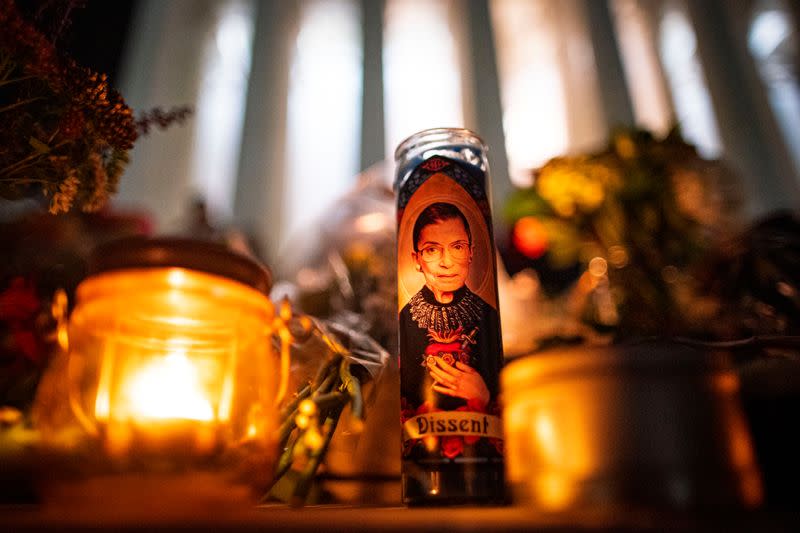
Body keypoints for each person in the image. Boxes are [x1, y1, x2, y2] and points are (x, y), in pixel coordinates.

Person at [399, 202, 502, 412]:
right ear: (417, 260)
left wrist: (482, 396)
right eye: (432, 250)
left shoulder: (488, 315)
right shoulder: (403, 320)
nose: (446, 262)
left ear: (471, 253)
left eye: (457, 247)